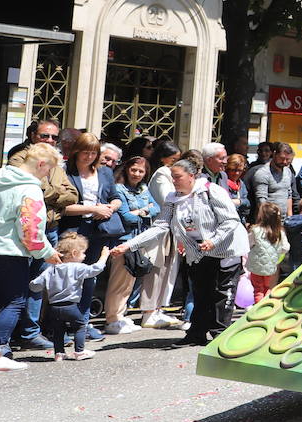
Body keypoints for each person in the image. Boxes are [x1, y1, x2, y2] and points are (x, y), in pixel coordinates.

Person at [114, 155, 248, 346]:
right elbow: (160, 226)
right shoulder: (173, 198)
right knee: (201, 293)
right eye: (172, 177)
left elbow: (230, 221)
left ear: (191, 176)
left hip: (225, 248)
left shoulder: (212, 191)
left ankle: (220, 336)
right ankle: (196, 334)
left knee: (221, 293)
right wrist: (130, 245)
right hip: (198, 251)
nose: (174, 181)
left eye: (177, 177)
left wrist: (213, 240)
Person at [5, 120, 75, 353]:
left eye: (55, 137)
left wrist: (52, 192)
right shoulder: (23, 165)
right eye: (46, 135)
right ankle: (4, 344)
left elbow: (72, 194)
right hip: (18, 243)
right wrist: (47, 253)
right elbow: (32, 224)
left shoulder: (52, 160)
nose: (51, 141)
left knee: (33, 287)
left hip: (46, 229)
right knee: (14, 296)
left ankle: (29, 333)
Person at [0, 142, 62, 371]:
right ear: (41, 164)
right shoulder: (30, 189)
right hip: (11, 253)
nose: (46, 175)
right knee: (13, 302)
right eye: (48, 170)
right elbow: (30, 231)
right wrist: (47, 253)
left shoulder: (0, 180)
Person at [63, 132, 119, 341]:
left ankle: (82, 324)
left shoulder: (104, 173)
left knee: (90, 278)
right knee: (69, 279)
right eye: (85, 152)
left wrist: (109, 208)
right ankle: (62, 325)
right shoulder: (65, 172)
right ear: (76, 152)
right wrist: (93, 208)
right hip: (74, 228)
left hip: (98, 228)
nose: (88, 157)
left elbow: (115, 197)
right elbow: (62, 207)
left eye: (93, 153)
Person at [28, 232, 109, 360]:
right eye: (83, 253)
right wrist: (104, 257)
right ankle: (79, 351)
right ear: (74, 253)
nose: (84, 255)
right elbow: (96, 269)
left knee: (59, 329)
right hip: (71, 306)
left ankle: (59, 353)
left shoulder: (51, 269)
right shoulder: (78, 267)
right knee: (80, 325)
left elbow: (34, 286)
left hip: (53, 307)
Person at [103, 156, 157, 335]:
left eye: (141, 171)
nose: (137, 174)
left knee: (129, 281)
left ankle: (120, 315)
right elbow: (126, 216)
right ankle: (112, 318)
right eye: (134, 170)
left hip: (138, 239)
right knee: (119, 282)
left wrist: (142, 211)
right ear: (126, 169)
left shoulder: (144, 188)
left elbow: (156, 208)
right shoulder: (119, 189)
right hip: (123, 240)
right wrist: (144, 211)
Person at [138, 140, 184, 331]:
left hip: (172, 227)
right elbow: (168, 198)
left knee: (167, 268)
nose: (176, 163)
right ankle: (148, 312)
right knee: (157, 269)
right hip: (161, 226)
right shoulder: (161, 174)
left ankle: (157, 308)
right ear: (163, 158)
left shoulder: (169, 173)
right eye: (173, 160)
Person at [245, 201, 290, 303]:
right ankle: (267, 308)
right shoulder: (280, 232)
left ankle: (258, 311)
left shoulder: (256, 230)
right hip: (271, 266)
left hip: (256, 267)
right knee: (268, 288)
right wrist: (278, 253)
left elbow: (248, 244)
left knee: (258, 290)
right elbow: (286, 247)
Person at [249, 142, 296, 222]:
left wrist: (290, 218)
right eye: (282, 158)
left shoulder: (288, 172)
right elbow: (261, 201)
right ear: (274, 154)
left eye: (287, 159)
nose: (284, 162)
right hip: (267, 221)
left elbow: (289, 195)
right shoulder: (263, 173)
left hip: (284, 221)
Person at [223, 153, 248, 222]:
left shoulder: (241, 184)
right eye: (233, 170)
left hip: (240, 221)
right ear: (227, 169)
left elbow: (247, 203)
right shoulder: (222, 182)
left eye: (240, 170)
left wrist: (239, 201)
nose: (236, 173)